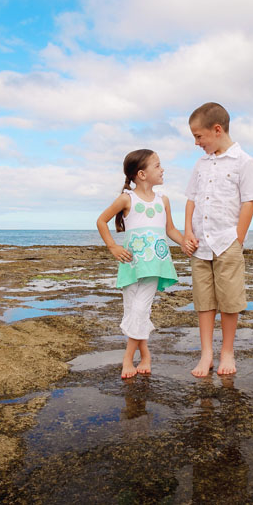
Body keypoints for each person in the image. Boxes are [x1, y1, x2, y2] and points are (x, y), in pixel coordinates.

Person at [182, 103, 253, 377]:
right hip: (200, 245)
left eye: (198, 136)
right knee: (204, 301)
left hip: (227, 242)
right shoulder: (201, 164)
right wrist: (187, 233)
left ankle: (227, 351)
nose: (196, 143)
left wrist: (237, 240)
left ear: (217, 130)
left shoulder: (244, 161)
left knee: (229, 300)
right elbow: (191, 200)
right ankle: (206, 354)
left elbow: (248, 203)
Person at [97, 149, 185, 378]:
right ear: (142, 174)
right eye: (157, 165)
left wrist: (186, 243)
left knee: (139, 309)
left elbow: (171, 230)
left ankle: (128, 359)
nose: (162, 169)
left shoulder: (163, 200)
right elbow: (101, 221)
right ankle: (145, 354)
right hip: (131, 264)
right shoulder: (128, 198)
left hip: (155, 265)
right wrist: (113, 247)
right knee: (133, 312)